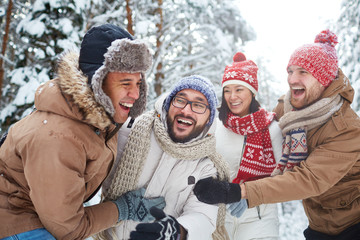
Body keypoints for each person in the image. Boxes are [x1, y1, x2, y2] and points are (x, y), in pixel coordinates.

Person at [0, 24, 166, 240]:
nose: (135, 93)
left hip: (44, 215)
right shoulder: (58, 138)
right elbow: (69, 228)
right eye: (125, 83)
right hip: (17, 222)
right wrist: (122, 209)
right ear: (96, 81)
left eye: (138, 83)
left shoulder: (100, 117)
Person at [193, 29, 360, 240]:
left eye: (303, 72)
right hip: (319, 223)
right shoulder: (289, 107)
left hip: (352, 225)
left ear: (323, 79)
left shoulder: (347, 129)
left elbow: (307, 179)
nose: (292, 79)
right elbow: (262, 131)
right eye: (290, 71)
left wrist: (239, 192)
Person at [97, 75, 230, 240]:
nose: (186, 110)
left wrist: (177, 230)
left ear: (209, 118)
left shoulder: (207, 167)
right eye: (180, 100)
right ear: (169, 103)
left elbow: (203, 215)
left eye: (198, 105)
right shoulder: (129, 132)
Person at [215, 52, 282, 239]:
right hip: (219, 215)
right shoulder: (214, 125)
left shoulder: (272, 128)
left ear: (252, 92)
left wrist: (251, 197)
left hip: (260, 217)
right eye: (227, 90)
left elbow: (282, 177)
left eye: (239, 89)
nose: (232, 96)